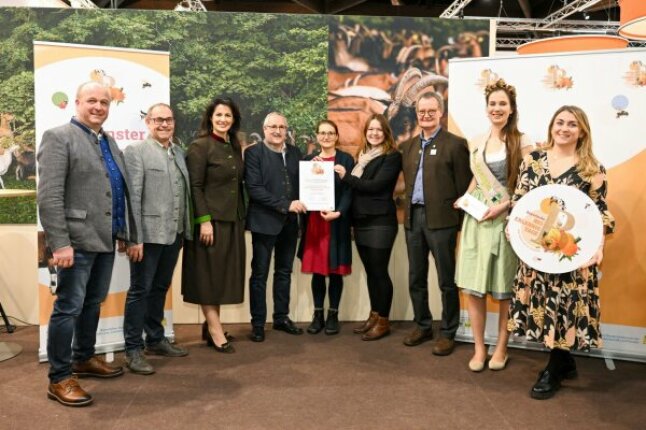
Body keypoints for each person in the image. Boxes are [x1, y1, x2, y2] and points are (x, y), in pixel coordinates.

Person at [38, 81, 137, 407]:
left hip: (105, 239)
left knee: (92, 303)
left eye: (104, 102)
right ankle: (60, 378)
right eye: (91, 100)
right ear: (77, 102)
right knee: (68, 307)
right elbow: (50, 196)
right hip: (75, 243)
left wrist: (124, 233)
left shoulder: (108, 141)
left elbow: (117, 192)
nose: (98, 107)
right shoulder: (59, 137)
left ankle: (83, 357)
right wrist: (60, 244)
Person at [507, 105, 615, 399]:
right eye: (560, 122)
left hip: (572, 254)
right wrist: (512, 229)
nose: (564, 128)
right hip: (538, 253)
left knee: (565, 308)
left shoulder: (592, 169)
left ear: (582, 132)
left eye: (572, 124)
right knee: (546, 306)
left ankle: (554, 368)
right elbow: (520, 201)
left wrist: (598, 247)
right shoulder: (533, 160)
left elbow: (600, 214)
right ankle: (564, 361)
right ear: (551, 126)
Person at [454, 79, 533, 372]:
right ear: (486, 109)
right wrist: (465, 197)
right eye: (492, 104)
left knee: (503, 288)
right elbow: (477, 177)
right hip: (478, 218)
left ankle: (502, 346)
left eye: (502, 104)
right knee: (474, 287)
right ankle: (478, 347)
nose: (496, 108)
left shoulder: (522, 142)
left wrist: (505, 205)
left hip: (506, 218)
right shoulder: (477, 141)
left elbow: (528, 184)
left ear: (511, 109)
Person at [122, 103, 192, 374]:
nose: (165, 124)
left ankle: (155, 339)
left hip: (174, 234)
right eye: (159, 120)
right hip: (147, 238)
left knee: (160, 288)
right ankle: (132, 349)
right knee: (140, 290)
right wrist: (133, 238)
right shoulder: (136, 152)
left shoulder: (179, 153)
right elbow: (133, 197)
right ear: (148, 123)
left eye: (169, 120)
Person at [400, 91, 471, 355]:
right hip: (413, 219)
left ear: (440, 112)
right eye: (421, 111)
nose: (426, 115)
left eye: (431, 111)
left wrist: (461, 224)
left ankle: (449, 331)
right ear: (416, 113)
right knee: (416, 277)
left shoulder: (455, 144)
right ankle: (422, 325)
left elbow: (465, 188)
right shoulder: (406, 147)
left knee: (446, 280)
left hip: (442, 222)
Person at [182, 97, 246, 353]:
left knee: (220, 276)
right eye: (219, 115)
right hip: (210, 222)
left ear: (234, 120)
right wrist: (204, 221)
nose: (223, 120)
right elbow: (194, 186)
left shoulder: (234, 146)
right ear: (210, 118)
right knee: (208, 276)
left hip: (232, 220)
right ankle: (215, 330)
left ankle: (210, 326)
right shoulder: (200, 146)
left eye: (228, 116)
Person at [334, 114, 402, 341]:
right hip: (361, 221)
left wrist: (346, 177)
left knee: (380, 272)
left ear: (386, 133)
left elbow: (376, 186)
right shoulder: (362, 157)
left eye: (379, 130)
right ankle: (374, 315)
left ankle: (384, 320)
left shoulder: (391, 157)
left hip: (380, 222)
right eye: (371, 129)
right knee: (372, 273)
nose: (374, 133)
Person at [245, 112, 306, 342]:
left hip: (290, 224)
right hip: (264, 223)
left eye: (282, 127)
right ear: (264, 129)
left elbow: (303, 184)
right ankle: (258, 323)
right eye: (273, 126)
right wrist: (286, 205)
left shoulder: (295, 153)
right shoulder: (253, 153)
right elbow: (255, 189)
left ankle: (281, 317)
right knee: (259, 275)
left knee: (284, 272)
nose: (278, 131)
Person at [298, 119, 354, 335]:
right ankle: (317, 314)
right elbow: (302, 190)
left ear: (336, 136)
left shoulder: (346, 160)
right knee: (318, 273)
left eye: (330, 133)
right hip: (316, 222)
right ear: (317, 136)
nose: (326, 137)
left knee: (336, 271)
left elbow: (351, 191)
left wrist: (338, 211)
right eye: (322, 133)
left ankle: (333, 315)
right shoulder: (309, 160)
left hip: (337, 222)